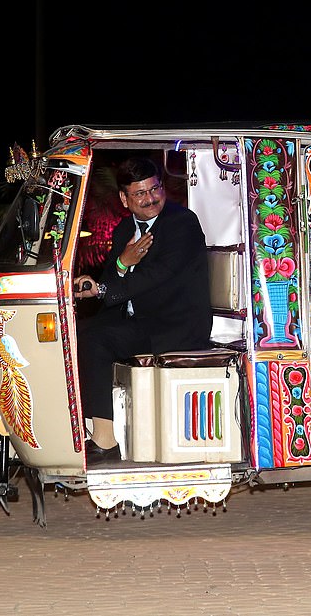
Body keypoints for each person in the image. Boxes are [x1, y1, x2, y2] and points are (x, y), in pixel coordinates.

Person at [73, 156, 213, 464]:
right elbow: (116, 272)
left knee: (97, 341)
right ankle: (85, 425)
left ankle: (105, 441)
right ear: (124, 198)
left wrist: (108, 285)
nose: (150, 199)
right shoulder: (125, 229)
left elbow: (159, 274)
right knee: (79, 334)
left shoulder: (181, 223)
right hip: (142, 323)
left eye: (155, 189)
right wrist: (116, 268)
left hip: (175, 325)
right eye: (140, 193)